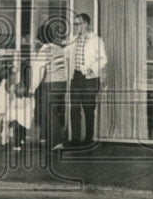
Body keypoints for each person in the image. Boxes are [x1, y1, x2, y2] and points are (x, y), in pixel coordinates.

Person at [65, 12, 107, 149]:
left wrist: (91, 69)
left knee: (89, 109)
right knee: (74, 109)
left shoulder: (96, 40)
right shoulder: (73, 40)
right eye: (75, 24)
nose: (77, 27)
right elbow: (64, 52)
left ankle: (88, 139)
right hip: (76, 77)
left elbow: (103, 59)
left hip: (90, 78)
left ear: (87, 24)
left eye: (79, 24)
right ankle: (76, 139)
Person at [32, 21, 68, 150]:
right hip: (62, 83)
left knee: (50, 112)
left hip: (51, 83)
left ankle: (56, 142)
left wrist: (32, 88)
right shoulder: (58, 48)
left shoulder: (44, 51)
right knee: (54, 111)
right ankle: (48, 138)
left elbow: (38, 72)